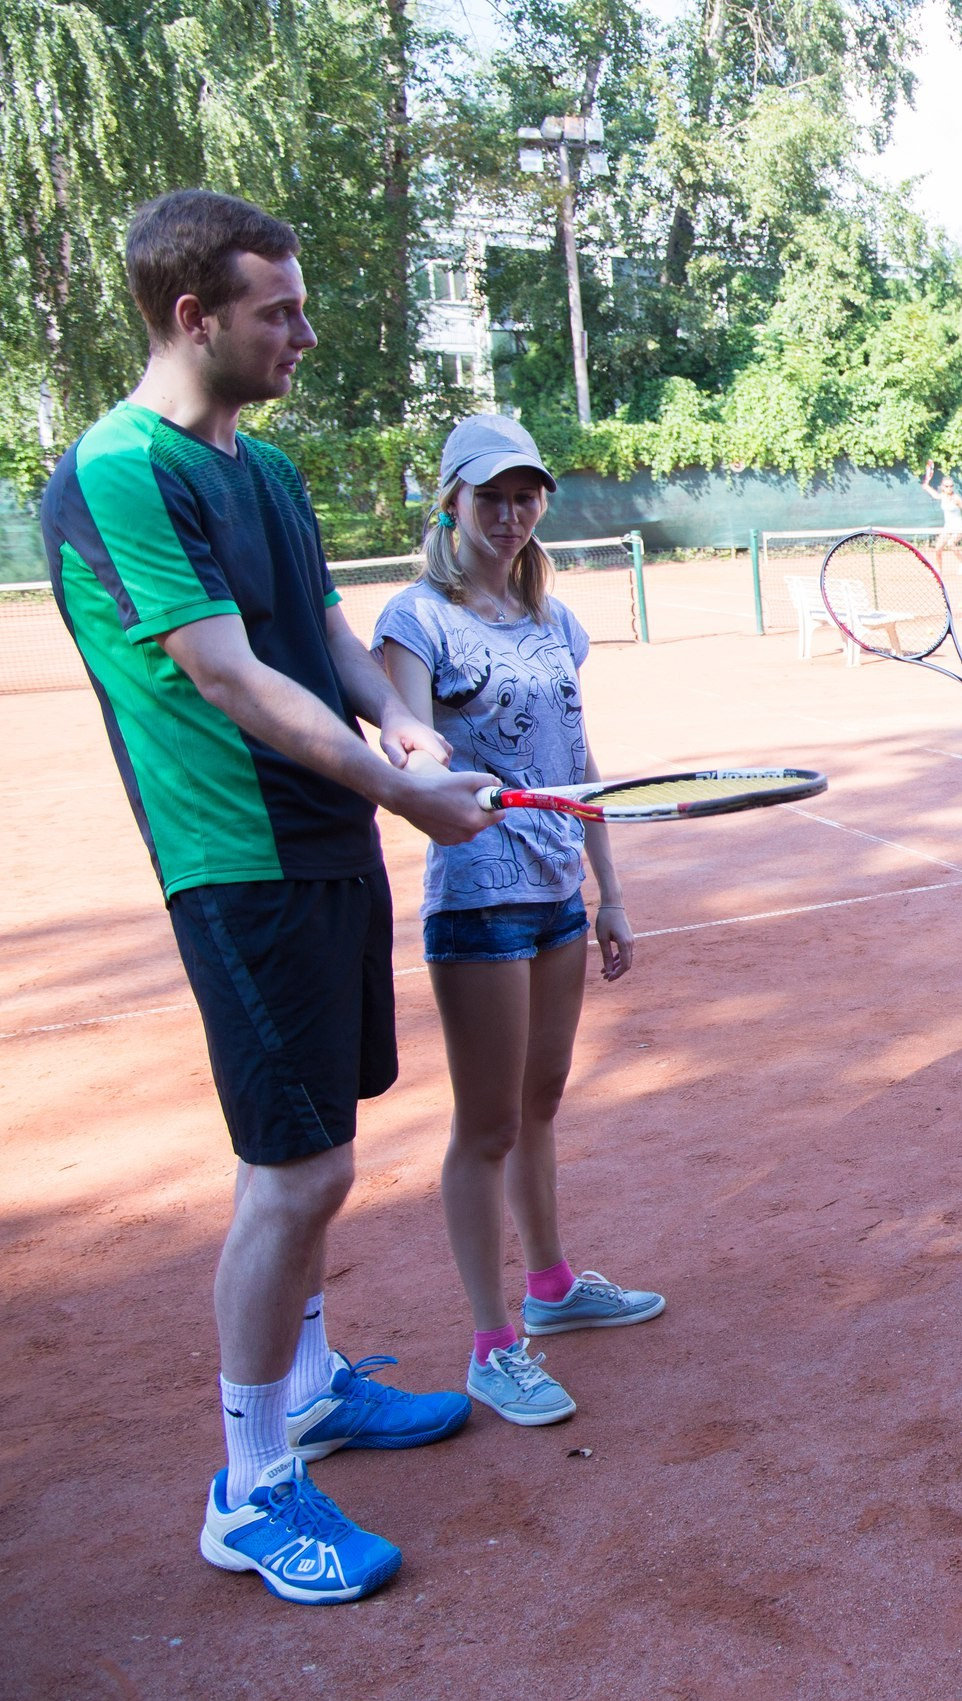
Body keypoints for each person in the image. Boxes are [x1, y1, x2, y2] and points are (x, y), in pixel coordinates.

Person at [38, 190, 501, 1604]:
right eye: (279, 311)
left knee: (326, 1131)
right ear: (197, 317)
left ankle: (305, 1384)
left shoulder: (271, 470)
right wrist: (405, 792)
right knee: (295, 1167)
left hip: (327, 841)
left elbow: (328, 641)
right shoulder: (119, 468)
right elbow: (227, 672)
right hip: (235, 857)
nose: (305, 331)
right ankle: (248, 1487)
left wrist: (400, 722)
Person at [374, 414, 663, 1430]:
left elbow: (581, 763)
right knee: (487, 1124)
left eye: (525, 494)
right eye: (490, 495)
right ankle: (494, 1346)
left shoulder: (557, 622)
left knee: (540, 1104)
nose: (510, 514)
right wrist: (446, 781)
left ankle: (551, 1285)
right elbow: (406, 744)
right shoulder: (416, 619)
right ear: (450, 500)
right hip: (478, 894)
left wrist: (610, 891)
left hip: (555, 893)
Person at [930, 466, 962, 576]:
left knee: (951, 543)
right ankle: (938, 570)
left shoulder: (956, 498)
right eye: (947, 486)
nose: (949, 488)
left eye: (951, 486)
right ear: (942, 487)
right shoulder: (942, 496)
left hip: (959, 526)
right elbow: (935, 495)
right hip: (948, 526)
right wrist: (926, 486)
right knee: (938, 548)